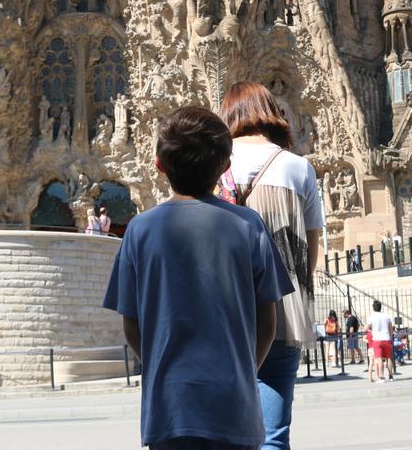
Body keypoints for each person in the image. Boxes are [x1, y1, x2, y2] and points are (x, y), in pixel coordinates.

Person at [102, 106, 292, 450]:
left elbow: (130, 322)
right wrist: (246, 368)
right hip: (234, 405)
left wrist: (159, 365)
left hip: (169, 408)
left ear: (159, 165)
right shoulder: (248, 225)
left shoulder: (139, 231)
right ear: (225, 166)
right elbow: (268, 318)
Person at [219, 81, 323, 450]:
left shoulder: (215, 165)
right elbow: (311, 249)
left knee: (222, 431)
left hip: (224, 309)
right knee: (273, 434)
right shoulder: (298, 167)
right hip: (282, 311)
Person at [368, 300, 394, 384]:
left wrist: (372, 331)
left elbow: (366, 328)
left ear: (373, 308)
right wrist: (390, 337)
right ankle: (391, 375)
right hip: (386, 338)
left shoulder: (371, 316)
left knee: (379, 358)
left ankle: (382, 377)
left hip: (377, 339)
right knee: (388, 358)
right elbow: (391, 329)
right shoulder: (387, 316)